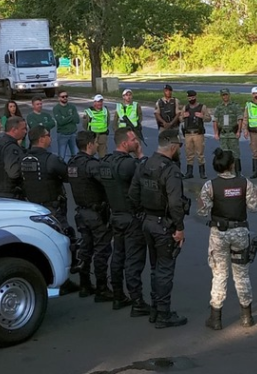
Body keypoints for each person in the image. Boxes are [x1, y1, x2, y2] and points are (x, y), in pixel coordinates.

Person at [128, 129, 190, 328]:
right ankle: (163, 313)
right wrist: (179, 228)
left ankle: (155, 309)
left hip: (148, 222)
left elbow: (133, 193)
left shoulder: (145, 164)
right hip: (164, 226)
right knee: (164, 269)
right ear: (173, 147)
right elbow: (175, 203)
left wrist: (143, 213)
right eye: (178, 146)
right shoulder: (170, 170)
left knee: (155, 267)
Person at [198, 148, 257, 330]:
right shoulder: (245, 183)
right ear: (232, 165)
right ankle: (246, 316)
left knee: (219, 275)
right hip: (240, 232)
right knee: (242, 274)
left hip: (219, 233)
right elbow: (255, 206)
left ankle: (216, 317)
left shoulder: (210, 186)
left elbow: (203, 211)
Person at [100, 128, 151, 315]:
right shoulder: (129, 164)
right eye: (133, 139)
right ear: (124, 143)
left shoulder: (105, 163)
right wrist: (140, 154)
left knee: (118, 257)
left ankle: (118, 295)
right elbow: (146, 174)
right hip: (131, 217)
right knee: (133, 260)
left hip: (115, 215)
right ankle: (137, 301)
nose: (136, 141)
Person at [68, 130, 113, 302]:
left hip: (81, 212)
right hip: (96, 214)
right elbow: (106, 181)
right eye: (94, 143)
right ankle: (102, 288)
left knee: (86, 249)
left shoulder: (72, 163)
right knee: (102, 250)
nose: (96, 145)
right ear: (89, 145)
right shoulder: (91, 164)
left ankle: (85, 285)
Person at [21, 126, 70, 232]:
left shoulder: (23, 158)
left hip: (31, 206)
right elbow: (67, 176)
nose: (50, 138)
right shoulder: (51, 159)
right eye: (48, 135)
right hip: (52, 208)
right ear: (41, 139)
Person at [0, 116, 27, 199]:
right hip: (10, 193)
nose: (25, 131)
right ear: (14, 130)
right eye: (23, 129)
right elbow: (13, 173)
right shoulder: (11, 148)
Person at [182, 89, 212, 179]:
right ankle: (189, 172)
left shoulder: (202, 107)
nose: (191, 99)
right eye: (189, 97)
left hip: (198, 133)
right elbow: (179, 118)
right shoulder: (185, 107)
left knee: (200, 154)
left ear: (196, 97)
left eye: (192, 97)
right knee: (189, 154)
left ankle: (202, 172)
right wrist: (183, 116)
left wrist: (202, 116)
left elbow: (209, 118)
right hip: (188, 133)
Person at [213, 88, 243, 175]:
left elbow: (240, 119)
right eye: (223, 95)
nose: (225, 97)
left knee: (235, 154)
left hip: (232, 133)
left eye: (226, 95)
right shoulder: (219, 107)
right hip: (223, 134)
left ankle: (238, 172)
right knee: (224, 154)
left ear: (229, 95)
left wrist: (238, 131)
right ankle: (227, 172)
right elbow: (215, 121)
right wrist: (216, 133)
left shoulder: (235, 106)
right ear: (221, 96)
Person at [53, 90, 79, 160]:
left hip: (73, 133)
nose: (65, 98)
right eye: (63, 96)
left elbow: (77, 120)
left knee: (76, 155)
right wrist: (71, 117)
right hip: (62, 134)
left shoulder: (72, 107)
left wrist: (66, 118)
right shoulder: (56, 108)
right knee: (61, 156)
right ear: (59, 98)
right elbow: (60, 122)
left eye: (66, 96)